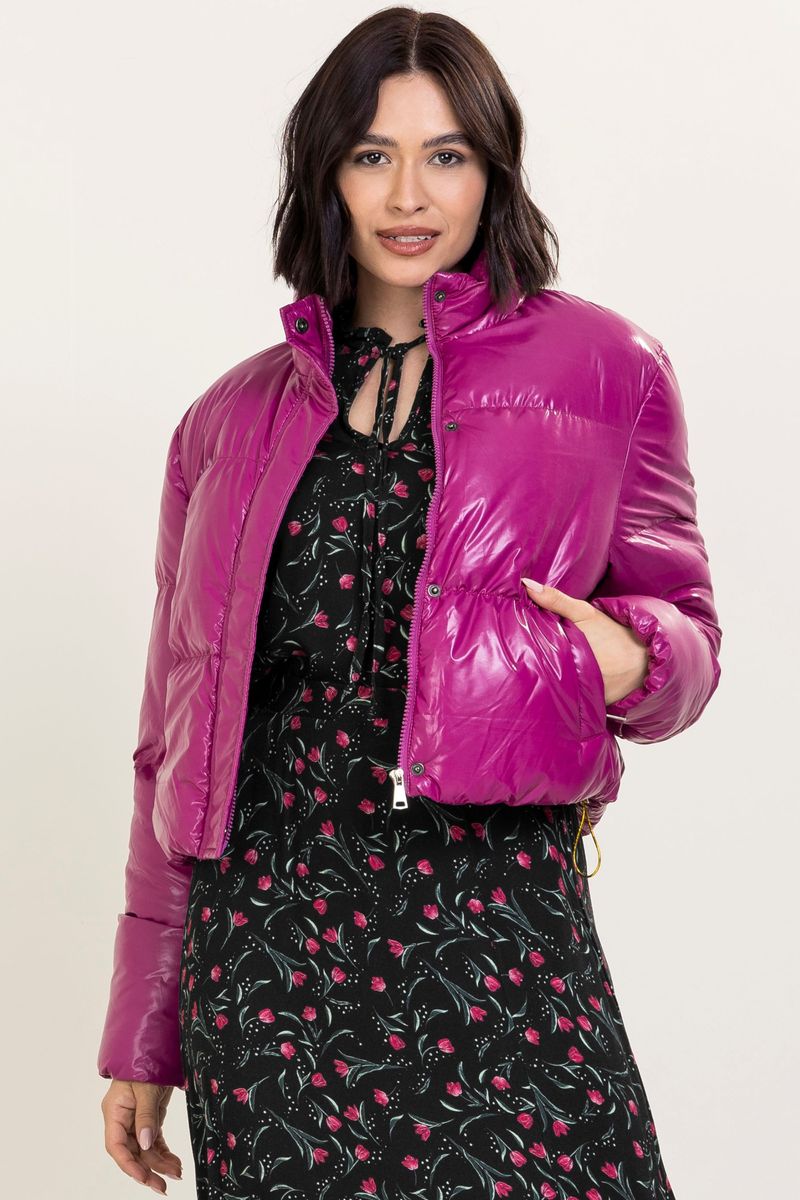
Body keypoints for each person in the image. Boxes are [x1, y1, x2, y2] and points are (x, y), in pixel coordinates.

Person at [97, 9, 722, 1198]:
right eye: (371, 154)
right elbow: (171, 736)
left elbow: (687, 640)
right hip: (268, 946)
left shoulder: (605, 370)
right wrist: (144, 1027)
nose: (407, 194)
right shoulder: (224, 421)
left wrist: (633, 656)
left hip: (497, 916)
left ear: (493, 170)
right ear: (324, 174)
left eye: (445, 155)